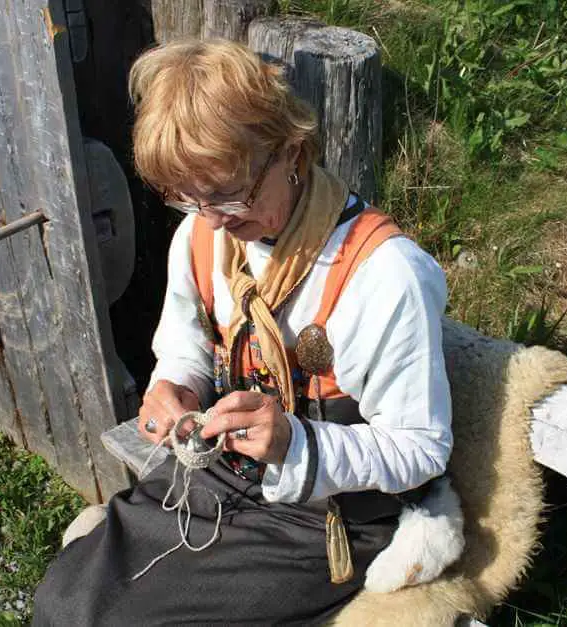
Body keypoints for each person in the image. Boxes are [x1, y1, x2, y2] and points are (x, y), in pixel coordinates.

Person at [33, 38, 452, 625]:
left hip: (323, 517)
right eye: (186, 198)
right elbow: (186, 344)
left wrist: (294, 444)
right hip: (217, 477)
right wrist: (174, 384)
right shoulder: (202, 237)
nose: (212, 221)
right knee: (66, 601)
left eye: (229, 193)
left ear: (292, 152)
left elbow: (421, 449)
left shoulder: (384, 276)